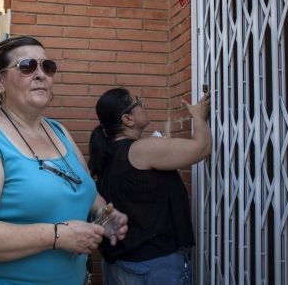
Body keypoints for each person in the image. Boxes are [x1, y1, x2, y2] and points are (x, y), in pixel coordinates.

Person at [0, 36, 128, 284]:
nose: (41, 74)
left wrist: (103, 214)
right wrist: (57, 235)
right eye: (27, 66)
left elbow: (85, 191)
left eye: (47, 66)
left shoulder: (58, 131)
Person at [88, 88, 211, 285]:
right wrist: (198, 116)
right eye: (137, 101)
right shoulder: (140, 149)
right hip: (152, 267)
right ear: (127, 119)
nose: (142, 102)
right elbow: (201, 148)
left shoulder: (108, 154)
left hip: (120, 264)